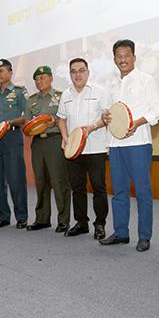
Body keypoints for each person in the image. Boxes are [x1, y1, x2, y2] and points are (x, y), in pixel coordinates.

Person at [100, 39, 159, 252]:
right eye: (119, 56)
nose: (123, 59)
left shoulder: (146, 80)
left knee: (143, 191)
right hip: (115, 144)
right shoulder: (112, 86)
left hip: (138, 143)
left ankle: (144, 236)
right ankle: (121, 232)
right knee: (119, 191)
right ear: (115, 59)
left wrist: (137, 122)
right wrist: (105, 115)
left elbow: (157, 109)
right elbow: (111, 114)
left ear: (134, 57)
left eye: (127, 55)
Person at [57, 58, 110, 240]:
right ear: (70, 74)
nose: (77, 74)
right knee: (77, 188)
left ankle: (100, 224)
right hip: (73, 150)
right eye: (73, 71)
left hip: (95, 147)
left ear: (88, 72)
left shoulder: (100, 92)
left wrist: (91, 127)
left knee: (98, 187)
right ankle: (81, 222)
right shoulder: (65, 95)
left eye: (81, 70)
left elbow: (107, 118)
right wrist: (65, 137)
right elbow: (61, 119)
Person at [25, 65, 71, 233]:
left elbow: (67, 119)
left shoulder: (61, 97)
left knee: (59, 182)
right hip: (37, 143)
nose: (39, 81)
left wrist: (55, 121)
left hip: (55, 140)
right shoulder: (31, 100)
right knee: (41, 181)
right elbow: (27, 125)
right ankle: (42, 219)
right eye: (36, 79)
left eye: (43, 78)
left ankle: (63, 220)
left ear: (51, 78)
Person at [0, 59, 29, 229]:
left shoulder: (20, 92)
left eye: (2, 71)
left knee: (15, 177)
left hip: (12, 137)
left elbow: (27, 115)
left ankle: (21, 216)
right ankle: (2, 216)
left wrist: (8, 123)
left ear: (10, 73)